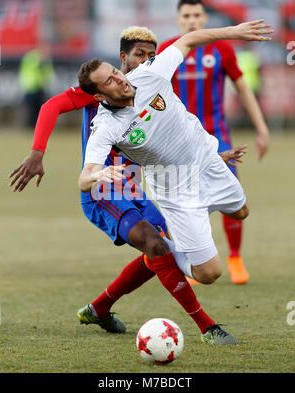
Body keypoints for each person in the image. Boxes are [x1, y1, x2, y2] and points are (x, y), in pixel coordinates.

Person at [9, 26, 246, 345]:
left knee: (158, 252)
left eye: (151, 55)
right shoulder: (98, 89)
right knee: (156, 244)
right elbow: (51, 107)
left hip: (138, 188)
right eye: (139, 55)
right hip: (103, 191)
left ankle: (100, 307)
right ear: (123, 58)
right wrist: (37, 153)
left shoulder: (147, 81)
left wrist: (211, 155)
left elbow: (169, 137)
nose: (147, 60)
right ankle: (207, 326)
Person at [77, 19, 272, 343]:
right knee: (209, 274)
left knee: (242, 212)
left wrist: (234, 32)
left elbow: (190, 38)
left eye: (116, 72)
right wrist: (97, 173)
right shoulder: (106, 126)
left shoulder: (149, 74)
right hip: (175, 189)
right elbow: (85, 179)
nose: (119, 79)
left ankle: (175, 242)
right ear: (99, 95)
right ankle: (174, 248)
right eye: (109, 82)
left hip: (207, 161)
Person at [157, 0, 270, 284]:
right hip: (178, 142)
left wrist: (261, 128)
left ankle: (234, 257)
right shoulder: (167, 50)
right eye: (187, 15)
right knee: (183, 200)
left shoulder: (221, 49)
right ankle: (194, 257)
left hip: (217, 136)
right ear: (179, 19)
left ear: (205, 18)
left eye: (197, 15)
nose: (192, 20)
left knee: (231, 196)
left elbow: (242, 88)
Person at [19, 45, 55, 128]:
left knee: (34, 109)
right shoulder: (39, 58)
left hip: (34, 86)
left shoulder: (30, 57)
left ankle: (33, 125)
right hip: (34, 86)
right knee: (34, 109)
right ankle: (33, 125)